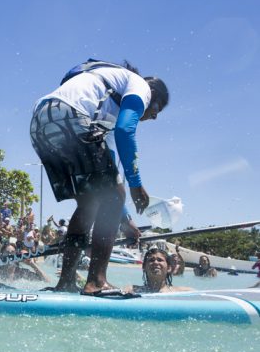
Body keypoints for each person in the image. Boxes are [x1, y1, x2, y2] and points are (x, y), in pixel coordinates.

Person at [30, 60, 169, 294]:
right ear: (152, 95)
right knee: (112, 196)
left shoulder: (105, 108)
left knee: (90, 202)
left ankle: (66, 282)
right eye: (157, 108)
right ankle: (96, 282)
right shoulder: (141, 87)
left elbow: (110, 175)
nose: (154, 116)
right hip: (71, 116)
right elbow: (126, 132)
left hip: (40, 122)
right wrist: (136, 184)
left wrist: (125, 221)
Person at [128, 247, 192, 293]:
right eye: (151, 260)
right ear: (144, 267)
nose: (155, 262)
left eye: (160, 260)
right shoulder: (133, 290)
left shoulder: (181, 292)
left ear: (169, 268)